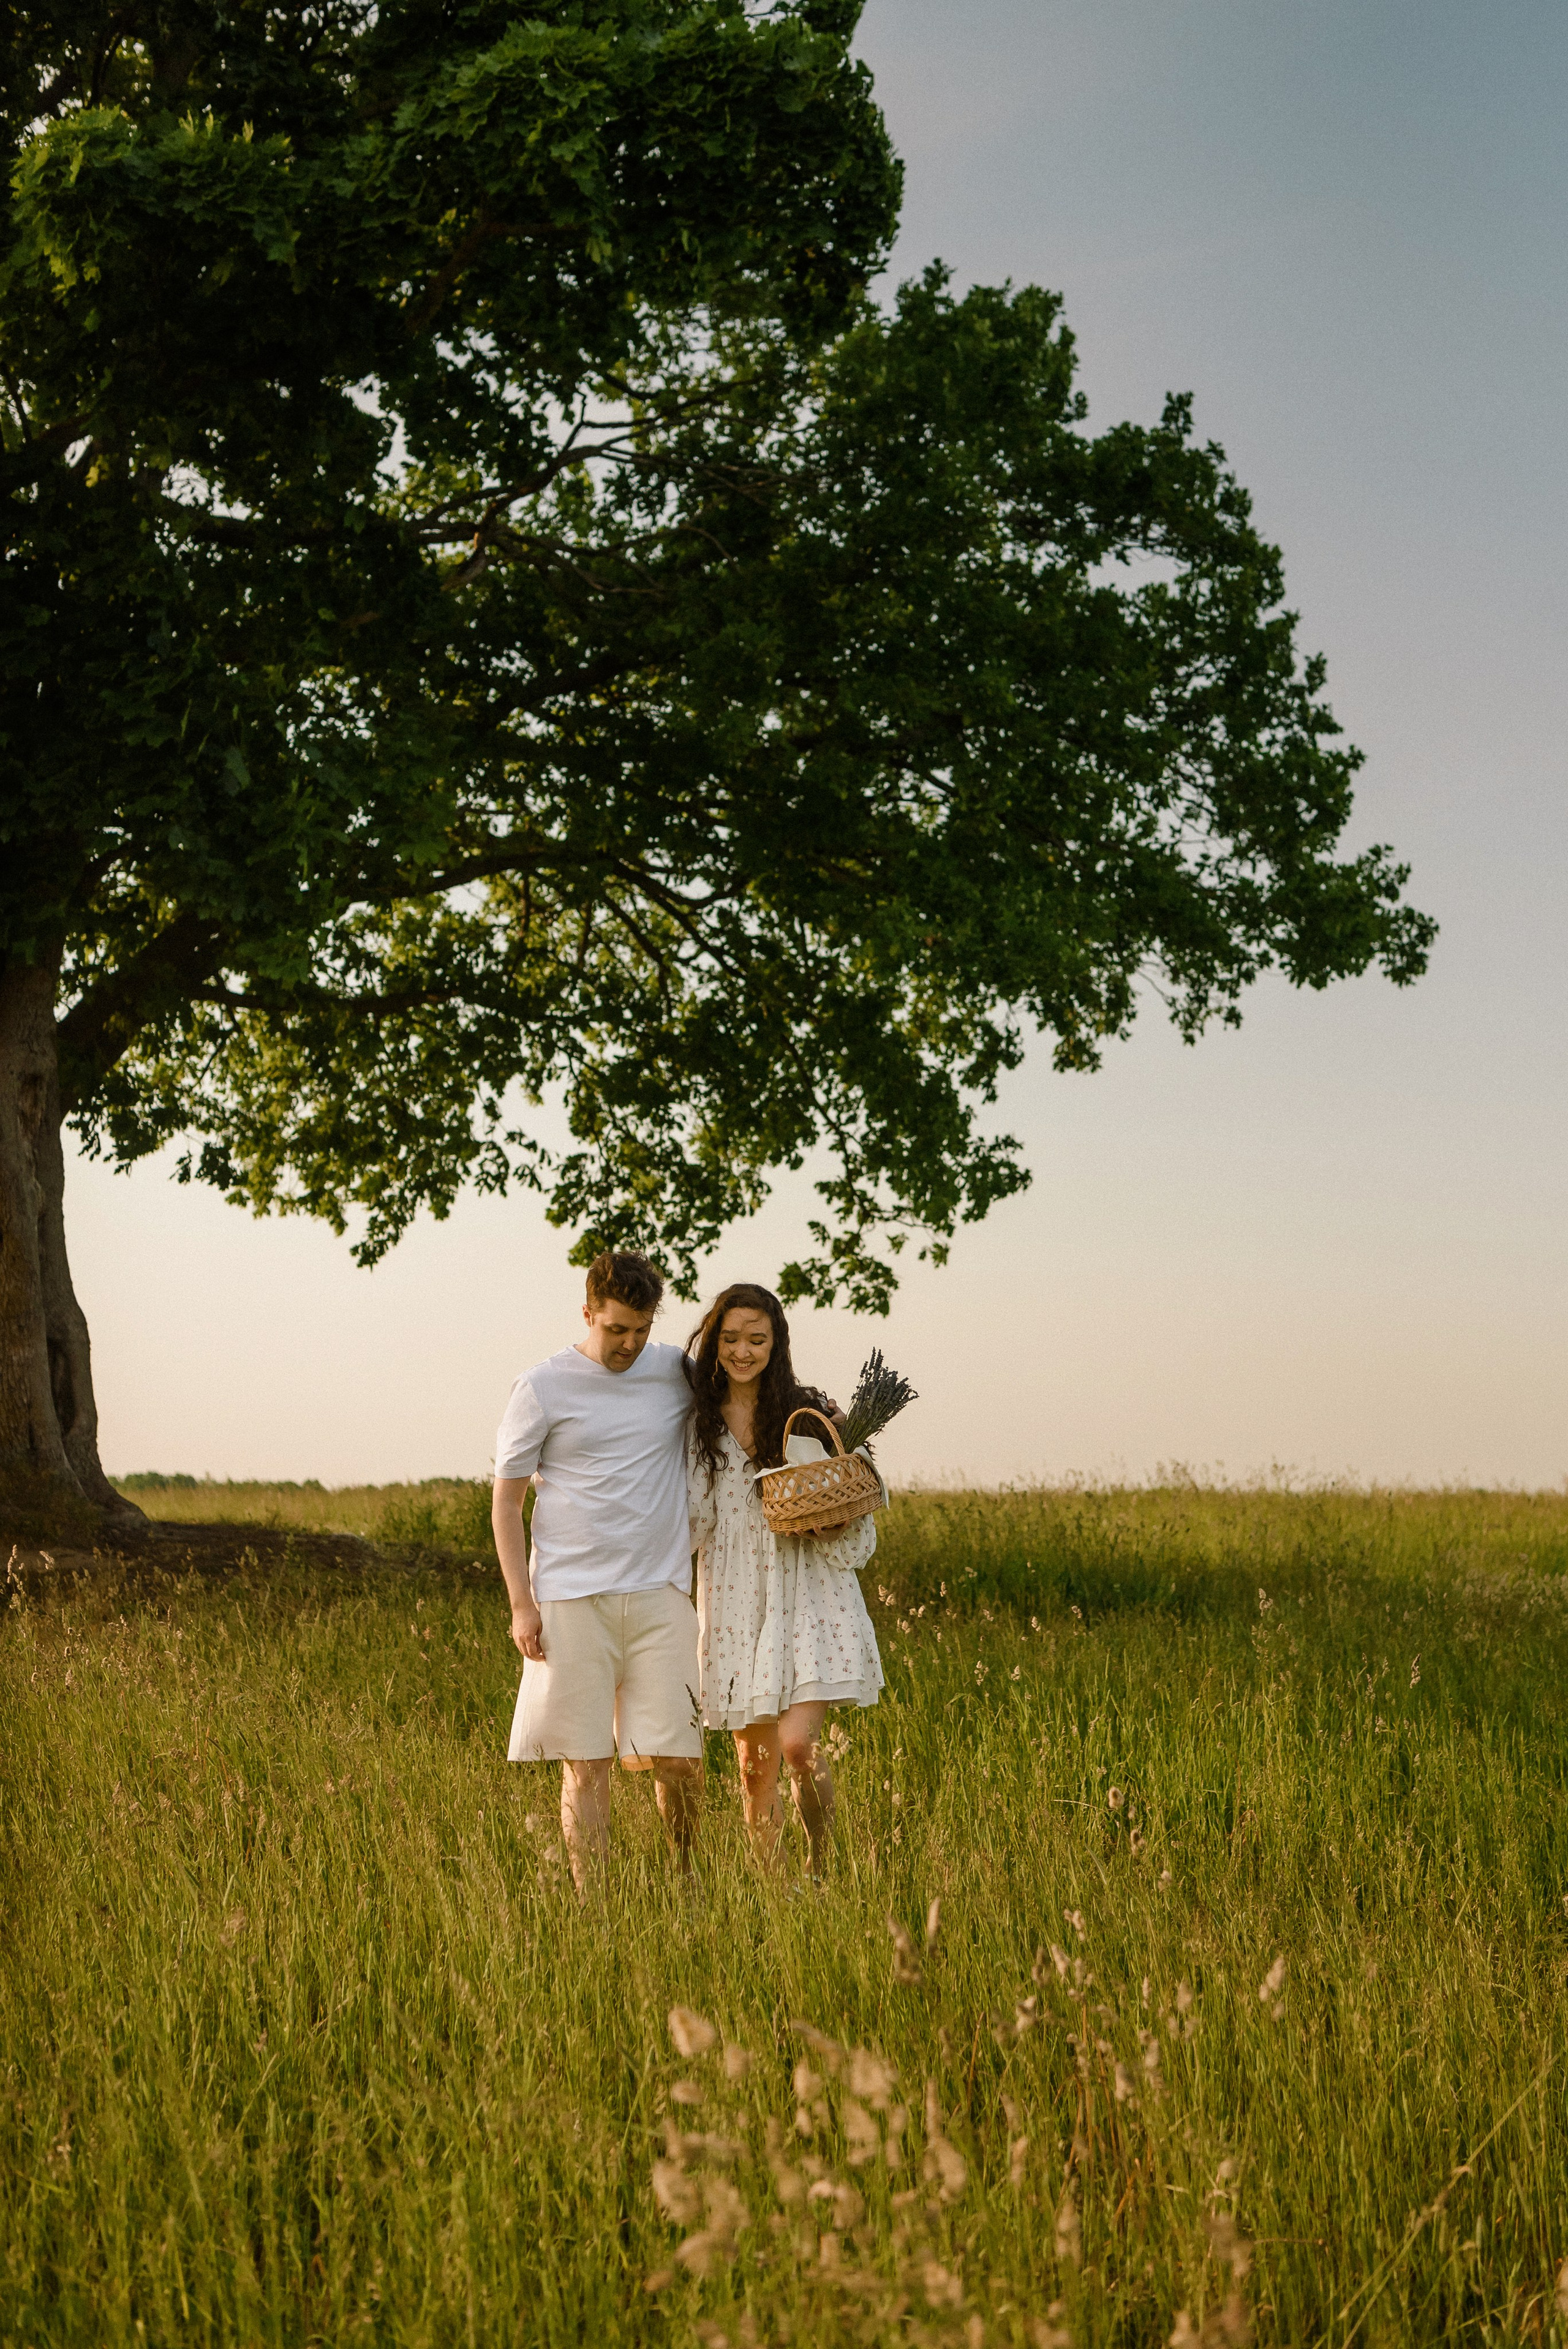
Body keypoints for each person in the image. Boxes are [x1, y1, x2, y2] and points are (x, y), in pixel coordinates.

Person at [492, 1250, 703, 1892]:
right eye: (616, 1329)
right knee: (586, 1766)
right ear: (587, 1313)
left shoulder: (673, 1371)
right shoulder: (541, 1385)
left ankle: (686, 1881)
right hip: (568, 1601)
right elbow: (505, 1503)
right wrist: (520, 1605)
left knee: (679, 1760)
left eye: (641, 1329)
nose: (630, 1344)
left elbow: (751, 1389)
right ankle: (595, 1906)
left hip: (660, 1595)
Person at [685, 1283, 883, 1876]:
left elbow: (860, 1520)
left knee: (797, 1746)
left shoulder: (812, 1414)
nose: (743, 1351)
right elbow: (694, 1520)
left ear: (776, 1342)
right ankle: (775, 1895)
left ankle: (821, 1865)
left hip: (807, 1592)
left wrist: (832, 1522)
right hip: (735, 1600)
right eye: (731, 1338)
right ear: (714, 1341)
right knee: (754, 1768)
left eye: (756, 1339)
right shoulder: (697, 1420)